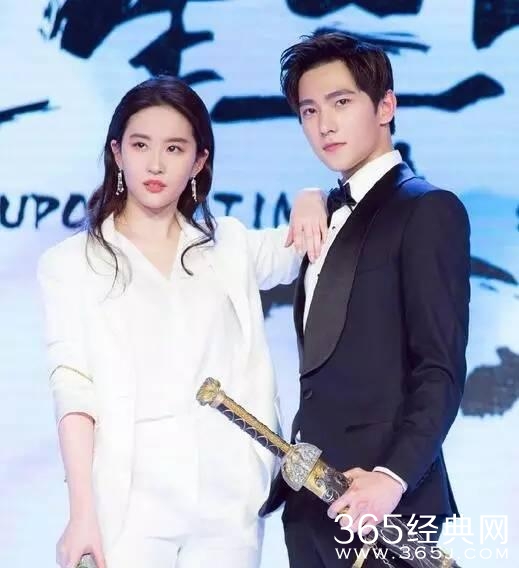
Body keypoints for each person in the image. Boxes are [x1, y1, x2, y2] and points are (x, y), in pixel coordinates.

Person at [37, 75, 327, 568]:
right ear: (117, 152)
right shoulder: (70, 264)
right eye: (140, 145)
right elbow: (73, 393)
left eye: (174, 148)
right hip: (130, 502)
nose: (155, 164)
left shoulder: (228, 245)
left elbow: (304, 244)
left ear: (198, 161)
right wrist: (82, 512)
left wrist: (312, 195)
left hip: (227, 497)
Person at [261, 32, 471, 567]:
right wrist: (311, 195)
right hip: (310, 503)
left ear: (385, 106)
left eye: (341, 102)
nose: (324, 124)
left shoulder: (427, 209)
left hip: (385, 506)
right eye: (309, 111)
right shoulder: (327, 212)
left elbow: (440, 368)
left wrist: (391, 477)